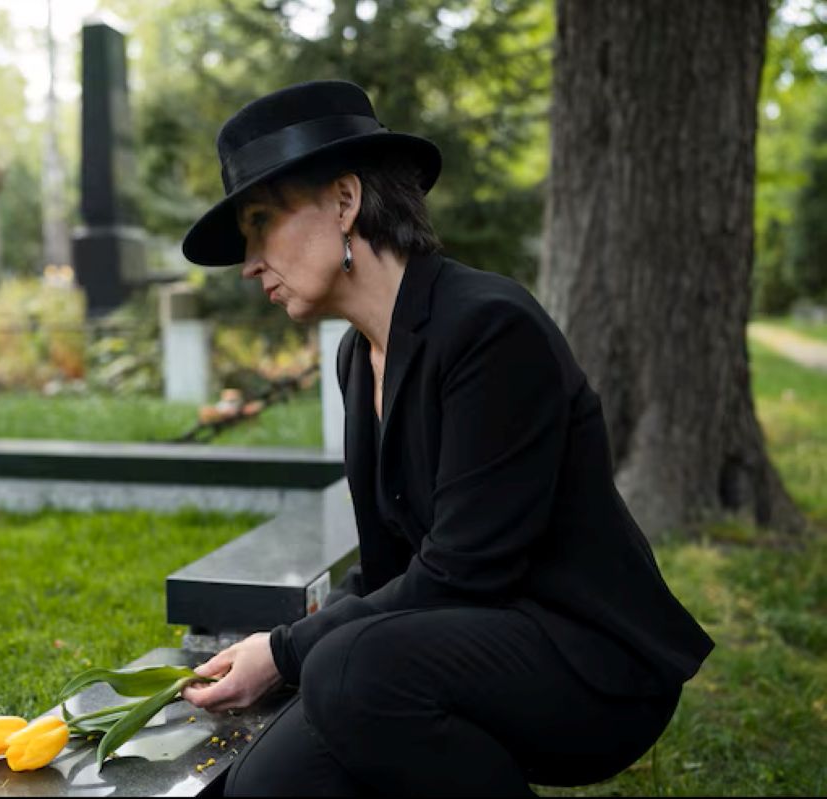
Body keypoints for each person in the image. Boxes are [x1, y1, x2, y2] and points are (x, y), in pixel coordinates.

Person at [177, 80, 715, 796]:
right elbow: (390, 566)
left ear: (345, 201)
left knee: (347, 673)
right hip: (457, 643)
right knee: (262, 785)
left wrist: (285, 651)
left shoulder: (489, 327)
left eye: (261, 222)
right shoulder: (355, 356)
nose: (248, 263)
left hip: (587, 662)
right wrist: (280, 658)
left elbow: (465, 570)